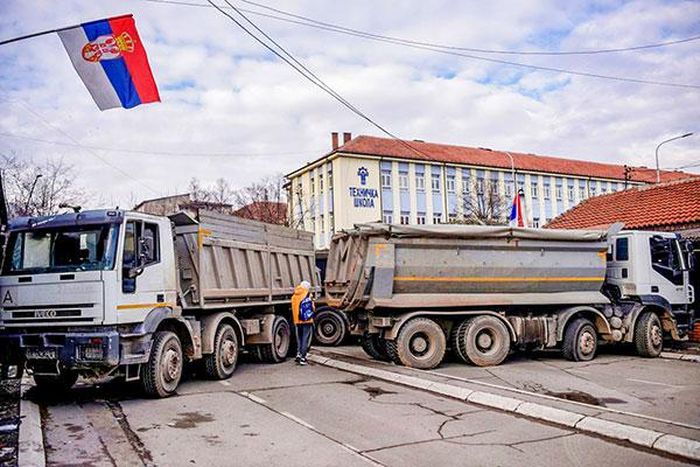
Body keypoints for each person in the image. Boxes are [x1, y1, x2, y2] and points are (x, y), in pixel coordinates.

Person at [291, 280, 315, 366]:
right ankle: (303, 358)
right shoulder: (308, 295)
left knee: (299, 338)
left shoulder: (294, 296)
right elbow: (312, 308)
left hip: (297, 320)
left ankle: (298, 354)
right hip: (307, 320)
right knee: (305, 338)